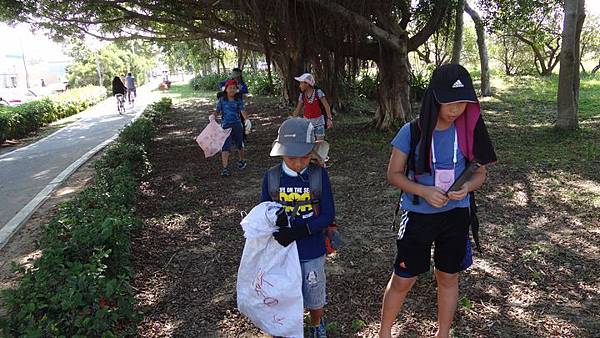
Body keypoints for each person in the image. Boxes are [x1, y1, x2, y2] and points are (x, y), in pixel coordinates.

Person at [379, 64, 497, 338]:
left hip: (456, 215)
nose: (456, 109)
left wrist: (466, 187)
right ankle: (384, 332)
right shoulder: (413, 131)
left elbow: (481, 173)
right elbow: (393, 174)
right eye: (450, 103)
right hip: (418, 216)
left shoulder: (468, 130)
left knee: (448, 276)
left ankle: (443, 333)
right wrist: (423, 191)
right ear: (435, 98)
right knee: (403, 279)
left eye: (463, 103)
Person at [261, 118, 335, 338]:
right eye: (291, 158)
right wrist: (277, 227)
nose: (298, 163)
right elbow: (263, 211)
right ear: (281, 153)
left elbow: (329, 214)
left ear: (312, 152)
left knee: (314, 291)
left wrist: (302, 230)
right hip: (282, 251)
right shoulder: (272, 177)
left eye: (304, 157)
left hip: (311, 248)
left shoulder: (318, 175)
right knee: (283, 292)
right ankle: (284, 325)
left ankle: (316, 323)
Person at [214, 79, 248, 177]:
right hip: (225, 126)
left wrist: (247, 120)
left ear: (237, 90)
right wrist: (213, 116)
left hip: (237, 125)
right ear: (226, 89)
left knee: (239, 144)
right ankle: (225, 168)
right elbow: (217, 111)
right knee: (225, 147)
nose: (232, 90)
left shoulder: (238, 100)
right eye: (230, 88)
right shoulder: (222, 100)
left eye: (234, 88)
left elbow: (242, 111)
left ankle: (242, 160)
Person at [292, 73, 333, 141]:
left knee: (319, 144)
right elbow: (298, 109)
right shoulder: (302, 95)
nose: (299, 86)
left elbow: (327, 106)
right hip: (306, 124)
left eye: (301, 83)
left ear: (307, 84)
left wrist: (329, 119)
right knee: (308, 143)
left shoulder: (318, 93)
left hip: (319, 123)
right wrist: (292, 120)